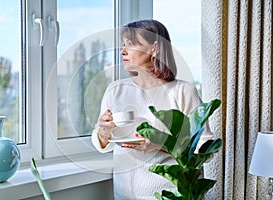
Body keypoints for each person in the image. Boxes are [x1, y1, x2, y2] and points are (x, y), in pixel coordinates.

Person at [91, 19, 213, 200]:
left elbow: (205, 148)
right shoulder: (115, 90)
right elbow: (102, 144)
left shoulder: (182, 91)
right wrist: (103, 131)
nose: (123, 51)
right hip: (124, 194)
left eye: (131, 44)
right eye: (123, 45)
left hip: (172, 195)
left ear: (154, 48)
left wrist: (163, 145)